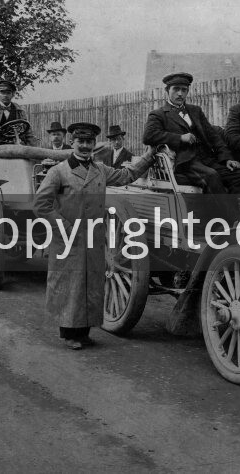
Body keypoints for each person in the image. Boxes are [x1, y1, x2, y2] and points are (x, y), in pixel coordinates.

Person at [33, 122, 157, 350]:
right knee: (70, 285)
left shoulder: (100, 169)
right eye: (81, 142)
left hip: (93, 238)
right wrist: (64, 227)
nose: (85, 146)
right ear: (72, 143)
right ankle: (69, 334)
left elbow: (126, 175)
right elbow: (41, 204)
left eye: (89, 142)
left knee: (91, 285)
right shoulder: (58, 171)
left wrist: (149, 157)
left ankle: (84, 332)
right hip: (68, 238)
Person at [142, 72, 240, 197]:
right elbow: (148, 136)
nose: (180, 93)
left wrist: (227, 158)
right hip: (184, 163)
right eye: (176, 89)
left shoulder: (195, 110)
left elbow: (213, 137)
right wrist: (180, 138)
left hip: (207, 159)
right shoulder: (159, 114)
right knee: (212, 176)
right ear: (167, 90)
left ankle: (236, 214)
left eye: (184, 90)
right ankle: (225, 216)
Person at [0, 79, 36, 149]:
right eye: (2, 93)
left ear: (13, 94)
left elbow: (28, 131)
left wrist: (34, 149)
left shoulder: (20, 110)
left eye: (8, 93)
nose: (5, 95)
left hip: (13, 143)